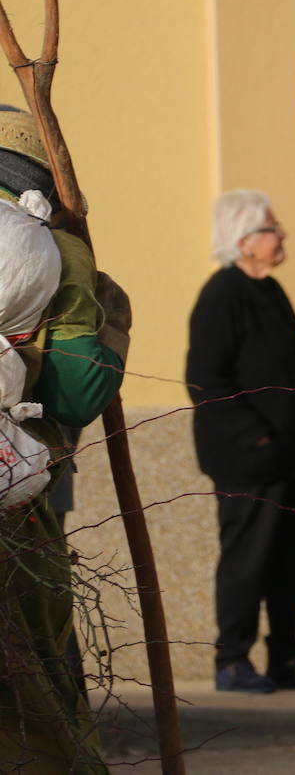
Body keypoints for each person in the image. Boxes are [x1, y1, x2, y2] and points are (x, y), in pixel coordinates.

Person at [0, 107, 129, 772]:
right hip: (12, 510)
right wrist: (112, 327)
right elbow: (78, 394)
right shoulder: (50, 246)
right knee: (34, 691)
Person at [187, 190, 295, 693]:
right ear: (243, 240)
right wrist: (256, 436)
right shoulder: (222, 295)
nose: (282, 236)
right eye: (272, 228)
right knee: (247, 558)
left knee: (291, 559)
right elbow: (205, 380)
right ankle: (232, 659)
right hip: (249, 461)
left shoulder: (272, 291)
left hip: (291, 458)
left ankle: (286, 656)